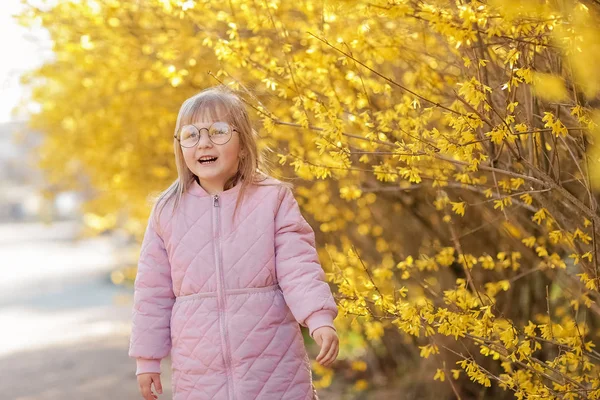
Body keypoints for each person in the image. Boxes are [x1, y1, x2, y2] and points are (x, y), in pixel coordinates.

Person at [128, 85, 339, 400]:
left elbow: (298, 266)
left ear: (243, 144)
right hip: (199, 372)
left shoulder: (272, 198)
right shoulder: (167, 209)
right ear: (180, 147)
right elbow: (152, 291)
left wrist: (318, 317)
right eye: (191, 135)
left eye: (218, 131)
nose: (204, 143)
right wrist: (148, 360)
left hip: (272, 365)